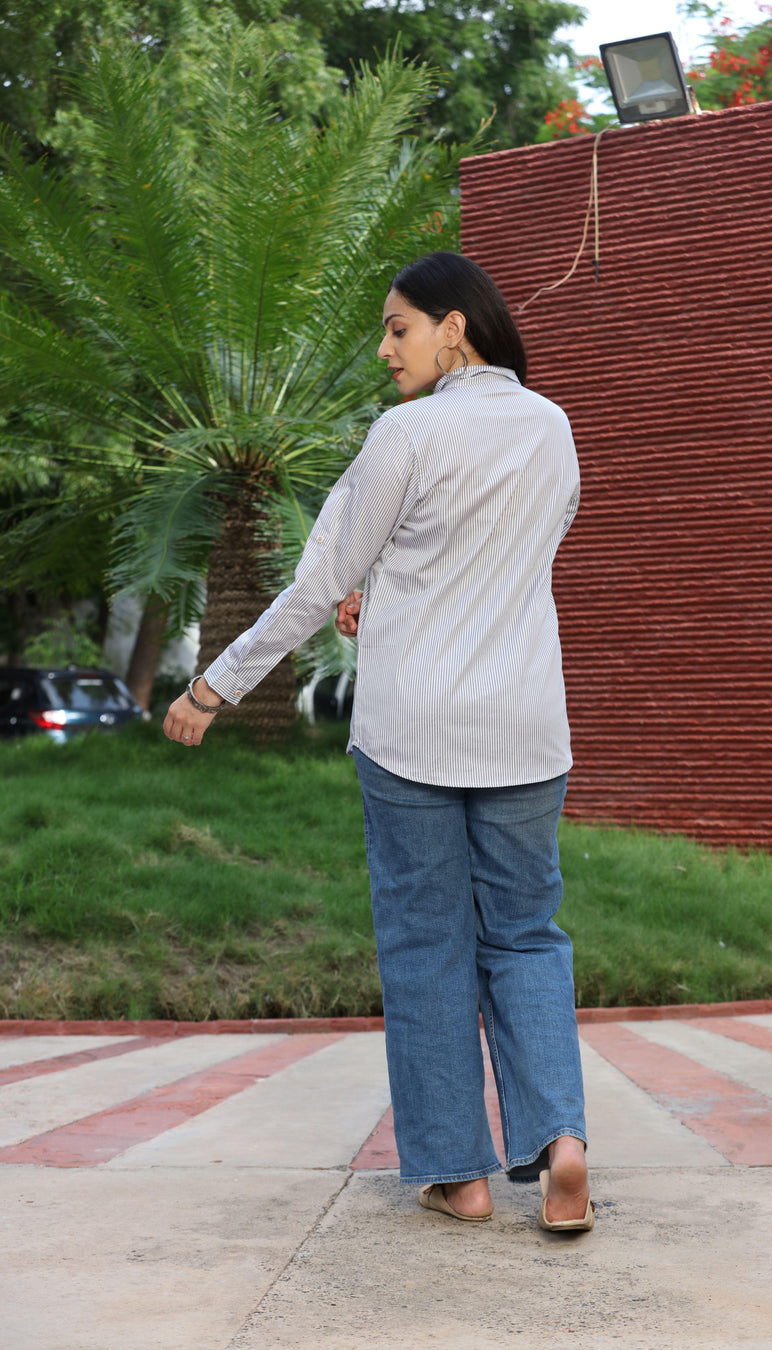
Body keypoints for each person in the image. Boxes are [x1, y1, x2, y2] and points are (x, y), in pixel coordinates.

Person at [164, 251, 593, 1232]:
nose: (385, 347)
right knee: (527, 934)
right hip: (527, 728)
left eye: (400, 327)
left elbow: (319, 580)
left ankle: (460, 1173)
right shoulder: (553, 428)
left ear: (456, 327)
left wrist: (213, 685)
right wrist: (389, 588)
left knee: (425, 942)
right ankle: (561, 1145)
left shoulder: (408, 433)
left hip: (412, 732)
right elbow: (509, 559)